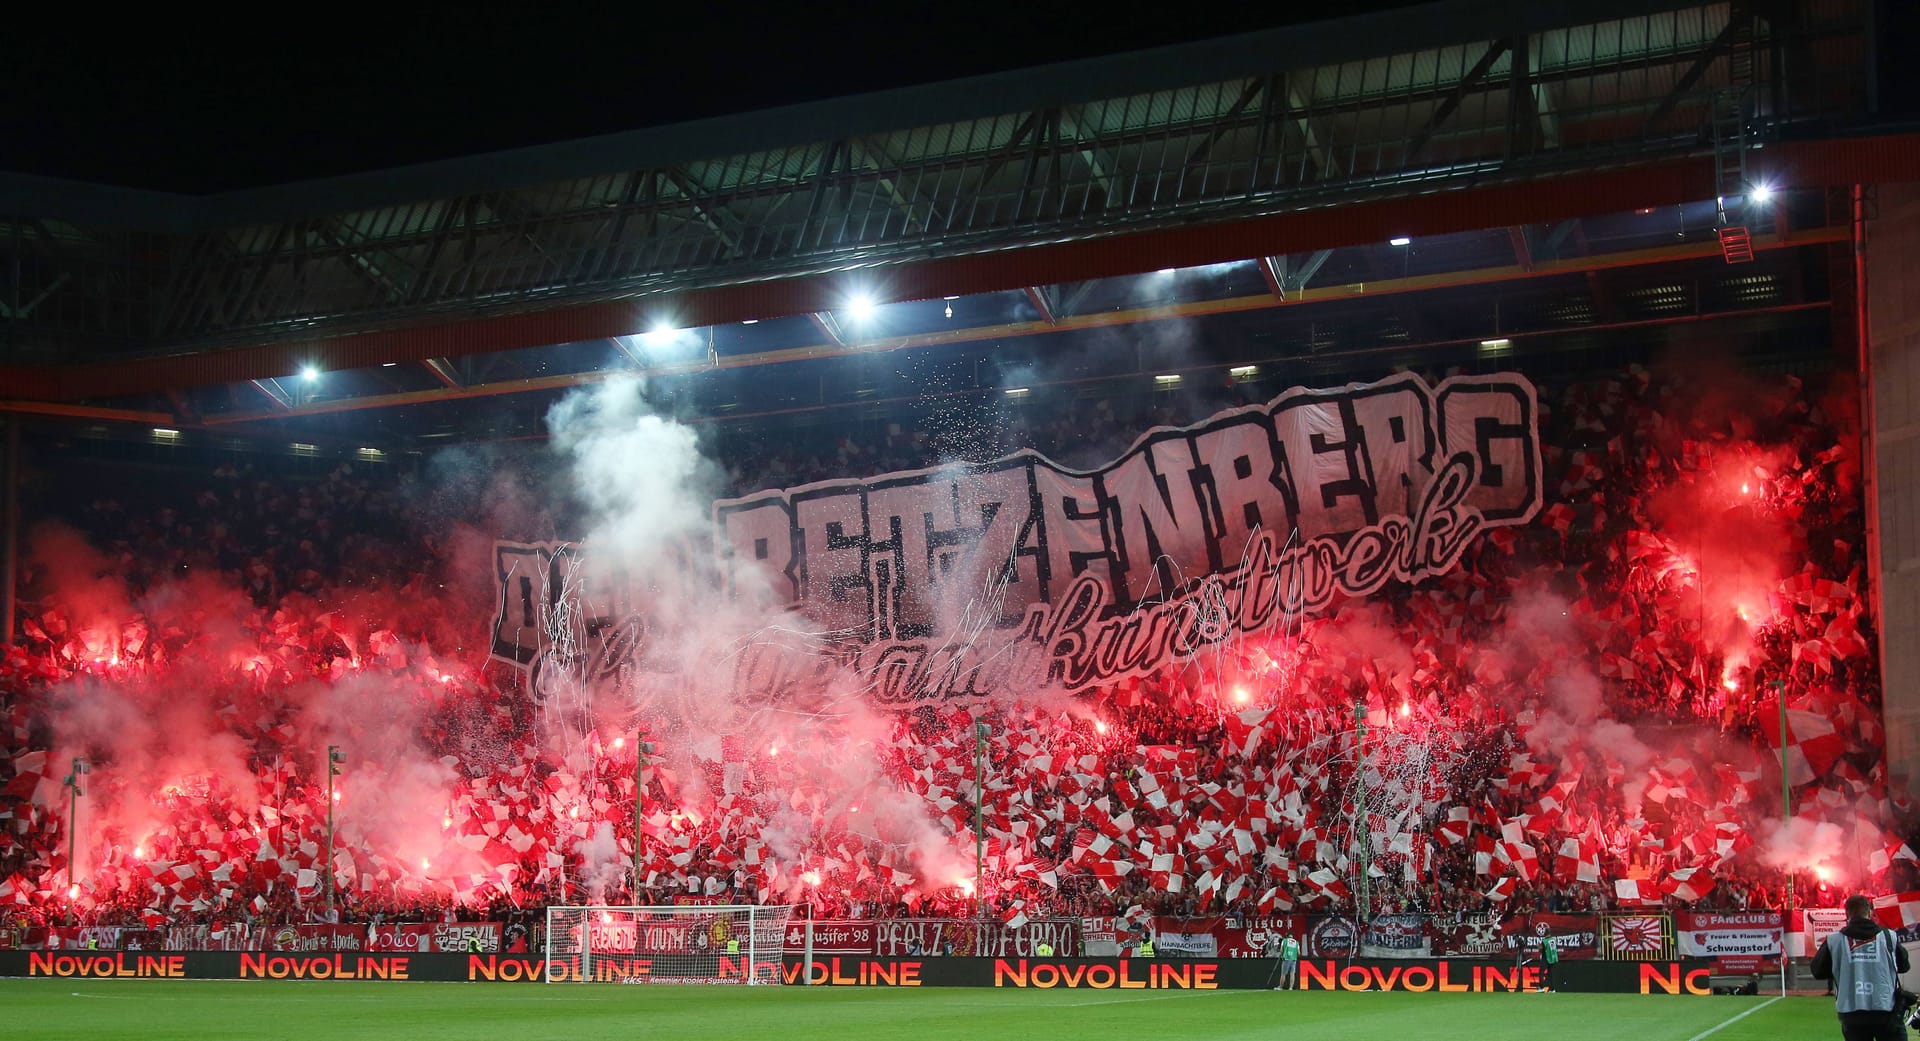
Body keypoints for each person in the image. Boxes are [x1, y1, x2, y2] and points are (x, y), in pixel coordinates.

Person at [1812, 894, 1911, 1041]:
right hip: (1886, 1009)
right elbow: (1904, 966)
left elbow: (1817, 971)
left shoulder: (1835, 941)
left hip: (1852, 1011)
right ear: (1869, 913)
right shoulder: (1888, 937)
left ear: (1847, 914)